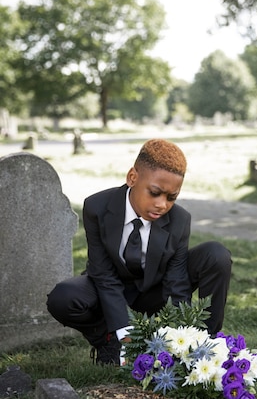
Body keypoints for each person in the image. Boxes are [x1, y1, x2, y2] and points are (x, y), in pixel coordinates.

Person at [47, 138, 232, 365]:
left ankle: (206, 343)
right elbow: (102, 273)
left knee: (216, 254)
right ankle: (108, 342)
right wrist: (125, 334)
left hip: (155, 291)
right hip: (109, 289)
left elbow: (177, 280)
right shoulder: (97, 207)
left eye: (171, 197)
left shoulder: (179, 220)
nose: (162, 205)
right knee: (64, 297)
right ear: (132, 177)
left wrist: (181, 337)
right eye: (155, 193)